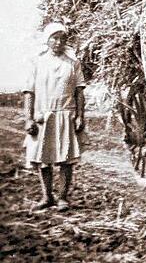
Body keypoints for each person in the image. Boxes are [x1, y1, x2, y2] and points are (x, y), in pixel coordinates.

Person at [23, 22, 86, 211]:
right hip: (43, 115)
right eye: (54, 38)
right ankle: (46, 196)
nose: (58, 42)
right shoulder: (37, 62)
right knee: (43, 158)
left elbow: (79, 92)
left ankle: (62, 198)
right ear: (47, 40)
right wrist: (29, 118)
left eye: (62, 38)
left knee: (66, 159)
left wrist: (80, 116)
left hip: (66, 114)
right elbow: (29, 92)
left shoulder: (72, 63)